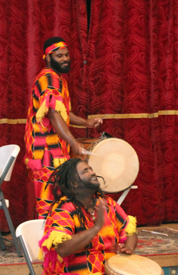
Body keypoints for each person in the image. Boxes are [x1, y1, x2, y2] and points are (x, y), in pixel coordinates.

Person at [39, 158, 162, 275]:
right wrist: (95, 228)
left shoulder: (107, 203)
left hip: (109, 274)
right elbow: (63, 249)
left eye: (90, 169)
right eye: (85, 171)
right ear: (74, 184)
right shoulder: (63, 209)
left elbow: (130, 230)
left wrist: (129, 246)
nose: (92, 172)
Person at [24, 37, 103, 219]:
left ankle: (58, 239)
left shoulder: (56, 79)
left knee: (56, 199)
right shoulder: (49, 79)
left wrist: (86, 123)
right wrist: (75, 144)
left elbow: (64, 112)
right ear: (48, 57)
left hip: (52, 152)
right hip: (46, 152)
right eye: (59, 56)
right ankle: (46, 244)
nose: (65, 59)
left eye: (67, 55)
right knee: (47, 202)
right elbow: (54, 115)